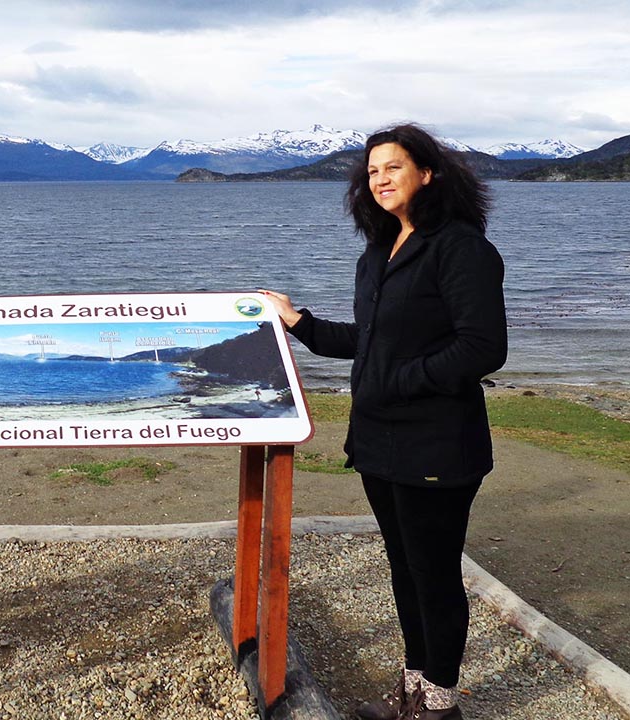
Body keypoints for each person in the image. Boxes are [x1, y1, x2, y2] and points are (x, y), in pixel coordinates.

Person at [260, 124, 506, 720]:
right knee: (403, 570)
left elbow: (482, 348)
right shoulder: (379, 254)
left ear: (428, 173)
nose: (380, 180)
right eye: (371, 172)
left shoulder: (460, 248)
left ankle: (440, 706)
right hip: (377, 442)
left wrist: (396, 382)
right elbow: (370, 340)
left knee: (435, 576)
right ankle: (413, 694)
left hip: (437, 443)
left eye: (393, 168)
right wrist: (299, 323)